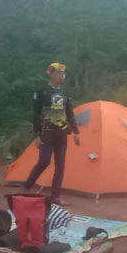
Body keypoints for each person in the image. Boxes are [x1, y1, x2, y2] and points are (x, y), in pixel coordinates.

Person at [24, 62, 80, 206]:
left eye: (63, 73)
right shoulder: (41, 92)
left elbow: (69, 112)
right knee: (44, 161)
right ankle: (27, 186)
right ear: (51, 74)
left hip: (61, 134)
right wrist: (36, 135)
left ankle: (56, 196)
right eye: (58, 73)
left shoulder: (65, 93)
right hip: (46, 134)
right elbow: (36, 115)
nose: (62, 76)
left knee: (60, 164)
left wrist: (76, 131)